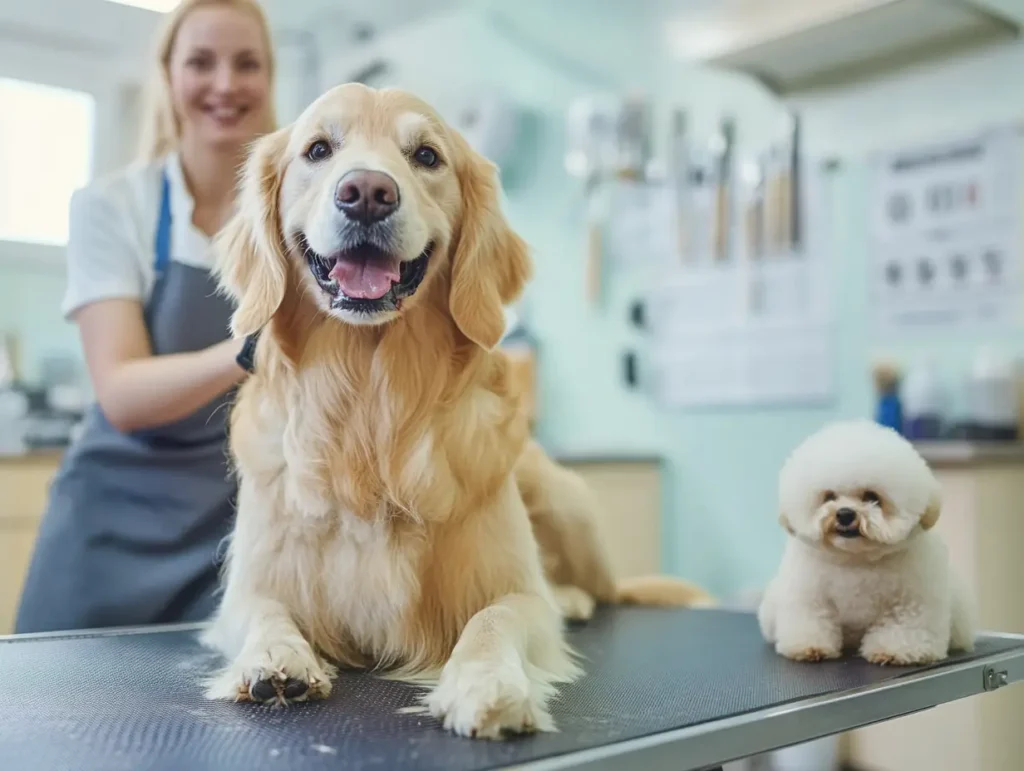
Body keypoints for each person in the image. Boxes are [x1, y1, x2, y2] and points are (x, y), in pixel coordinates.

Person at [14, 0, 277, 634]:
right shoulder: (112, 205)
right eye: (201, 62)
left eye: (247, 63)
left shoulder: (287, 214)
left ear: (269, 77)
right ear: (168, 75)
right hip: (107, 531)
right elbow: (123, 392)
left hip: (228, 536)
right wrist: (250, 348)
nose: (224, 84)